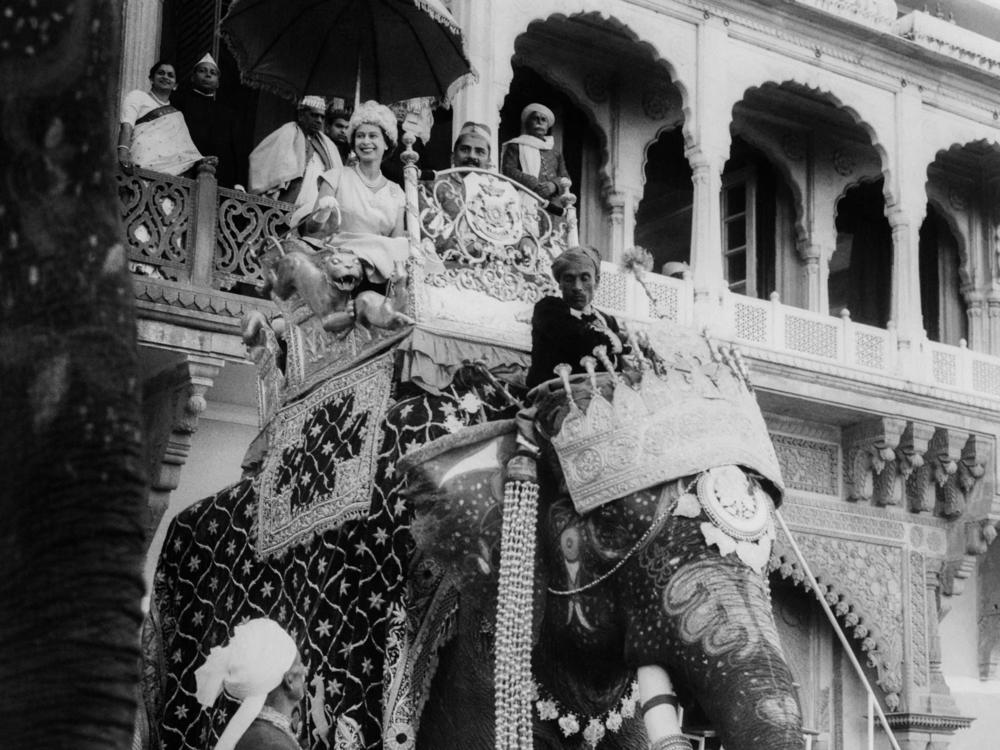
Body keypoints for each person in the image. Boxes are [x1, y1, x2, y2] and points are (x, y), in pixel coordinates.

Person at [293, 100, 410, 286]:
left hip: (381, 270)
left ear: (386, 143)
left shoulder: (396, 192)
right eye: (360, 136)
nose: (366, 142)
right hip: (343, 262)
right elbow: (311, 230)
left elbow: (396, 243)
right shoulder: (336, 177)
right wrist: (323, 212)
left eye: (373, 136)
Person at [194, 618, 306, 750]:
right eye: (299, 664)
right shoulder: (272, 743)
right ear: (289, 680)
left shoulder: (260, 732)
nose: (304, 669)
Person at [526, 245, 627, 389]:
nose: (577, 287)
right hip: (557, 392)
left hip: (606, 391)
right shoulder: (547, 310)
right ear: (559, 284)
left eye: (585, 278)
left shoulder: (608, 320)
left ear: (596, 281)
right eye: (569, 279)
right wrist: (624, 340)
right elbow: (583, 339)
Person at [249, 95, 342, 208]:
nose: (319, 120)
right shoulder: (287, 133)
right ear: (301, 115)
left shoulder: (327, 145)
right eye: (314, 115)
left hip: (314, 208)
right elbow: (261, 160)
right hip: (287, 204)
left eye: (322, 117)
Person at [117, 61, 203, 176]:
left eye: (170, 75)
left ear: (175, 85)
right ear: (151, 78)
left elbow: (187, 152)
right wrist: (123, 154)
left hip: (170, 173)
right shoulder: (138, 96)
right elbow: (126, 126)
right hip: (140, 161)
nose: (165, 77)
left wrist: (201, 161)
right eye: (161, 73)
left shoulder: (177, 115)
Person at [172, 53, 241, 187]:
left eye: (213, 73)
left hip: (221, 178)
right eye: (202, 71)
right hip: (183, 172)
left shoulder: (228, 114)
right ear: (193, 77)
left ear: (218, 82)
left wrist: (239, 183)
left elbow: (237, 150)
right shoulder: (179, 102)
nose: (208, 75)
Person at [501, 103, 570, 214]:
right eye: (535, 118)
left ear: (547, 127)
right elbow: (509, 170)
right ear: (527, 124)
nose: (539, 122)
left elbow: (565, 178)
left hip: (551, 205)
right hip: (523, 198)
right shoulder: (516, 145)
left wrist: (553, 185)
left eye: (543, 119)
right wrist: (533, 183)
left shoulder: (555, 152)